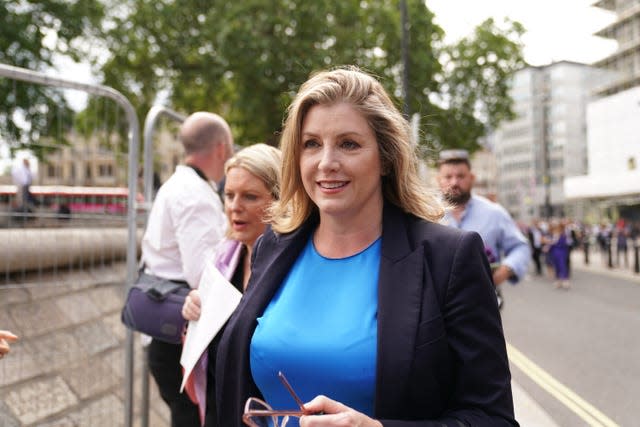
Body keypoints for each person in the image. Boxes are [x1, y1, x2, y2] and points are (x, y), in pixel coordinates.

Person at [213, 67, 517, 426]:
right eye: (311, 144)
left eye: (349, 144)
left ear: (386, 157)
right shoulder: (273, 247)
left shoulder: (449, 257)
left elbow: (492, 417)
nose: (327, 163)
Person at [141, 111, 233, 427]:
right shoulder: (195, 195)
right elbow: (203, 274)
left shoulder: (176, 186)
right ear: (221, 149)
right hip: (179, 339)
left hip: (166, 332)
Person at [180, 143, 282, 426]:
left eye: (250, 196)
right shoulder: (223, 258)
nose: (235, 207)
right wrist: (194, 308)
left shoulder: (294, 267)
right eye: (228, 195)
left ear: (280, 200)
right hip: (219, 408)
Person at [436, 149, 530, 309]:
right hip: (436, 305)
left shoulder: (494, 212)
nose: (454, 182)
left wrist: (504, 271)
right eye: (448, 177)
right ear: (438, 179)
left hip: (482, 305)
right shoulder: (424, 212)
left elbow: (520, 247)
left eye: (460, 176)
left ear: (472, 178)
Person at [545, 221, 570, 289]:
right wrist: (548, 247)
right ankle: (558, 281)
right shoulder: (555, 235)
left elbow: (563, 245)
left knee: (562, 266)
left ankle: (565, 280)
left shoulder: (563, 235)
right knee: (557, 267)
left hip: (561, 253)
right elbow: (552, 244)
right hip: (555, 253)